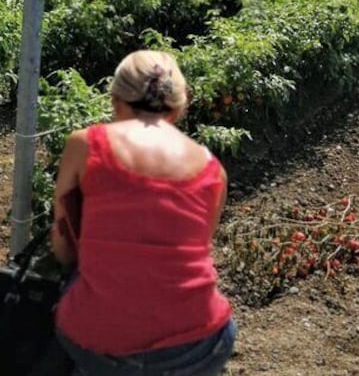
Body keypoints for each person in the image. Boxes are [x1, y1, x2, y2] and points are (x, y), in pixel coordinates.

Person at [49, 50, 236, 375]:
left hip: (99, 339)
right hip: (197, 344)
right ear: (180, 105)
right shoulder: (212, 169)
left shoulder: (86, 145)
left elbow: (63, 245)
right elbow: (197, 249)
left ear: (115, 99)